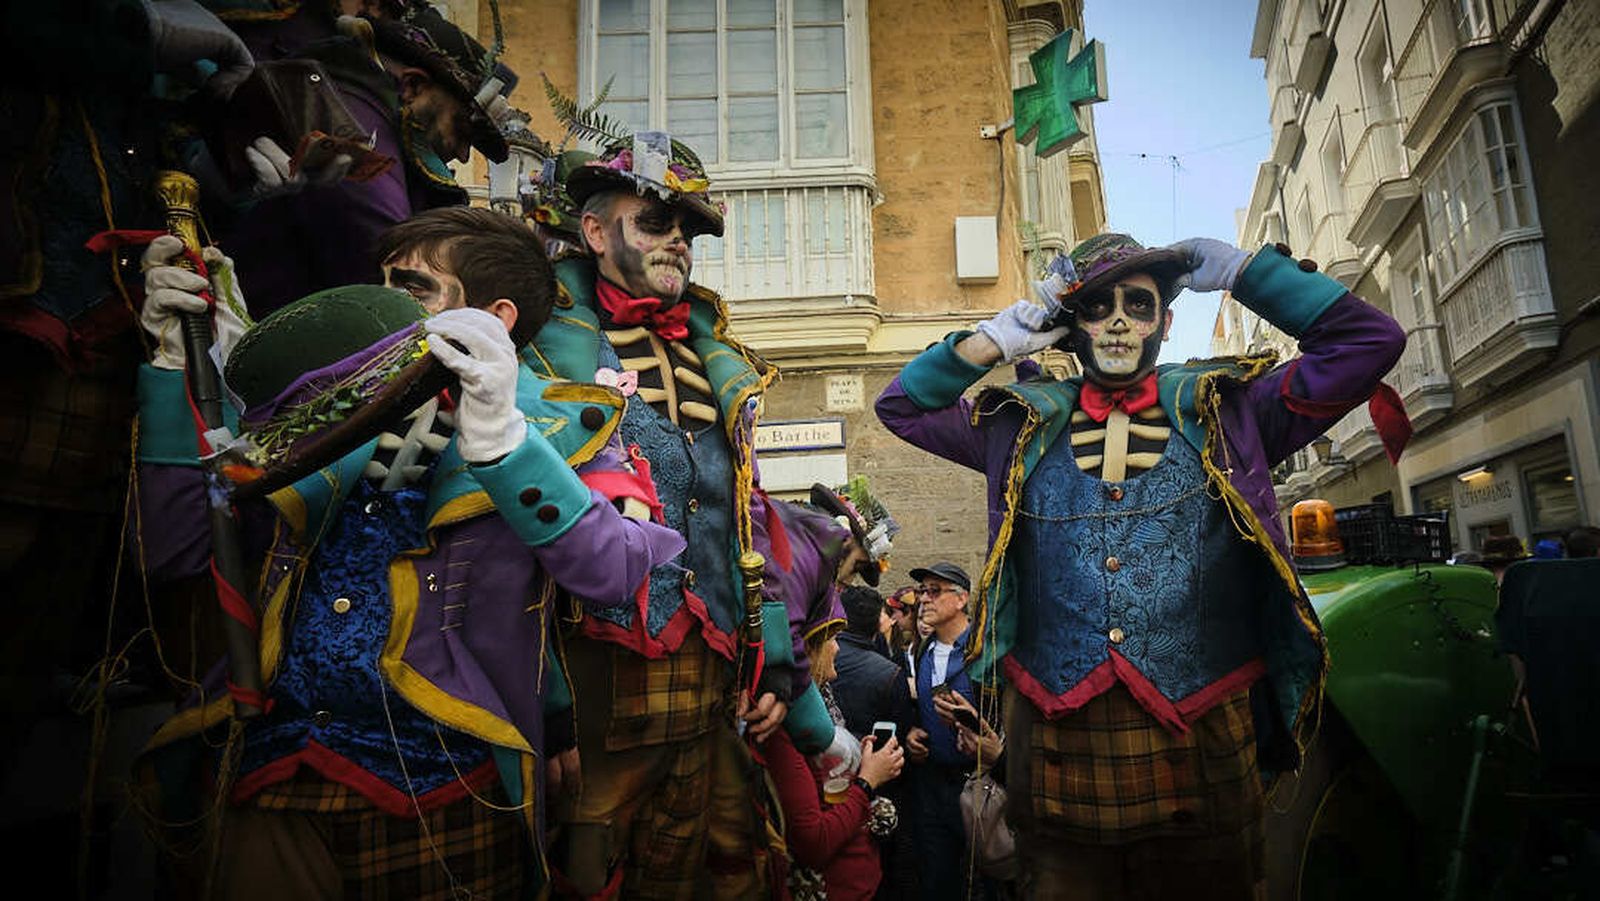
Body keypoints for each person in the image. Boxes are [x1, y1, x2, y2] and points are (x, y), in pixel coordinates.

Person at [133, 207, 683, 899]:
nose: (383, 304)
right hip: (272, 773)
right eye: (383, 283)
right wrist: (172, 369)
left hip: (449, 782)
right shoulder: (319, 400)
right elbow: (173, 550)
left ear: (496, 315)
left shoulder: (569, 422)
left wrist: (505, 444)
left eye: (412, 288)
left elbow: (614, 571)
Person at [877, 234, 1407, 899]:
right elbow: (900, 404)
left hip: (1205, 737)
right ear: (1071, 328)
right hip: (1055, 740)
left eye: (1138, 302)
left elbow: (1370, 343)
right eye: (1098, 306)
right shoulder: (1017, 428)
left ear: (1165, 321)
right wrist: (1005, 333)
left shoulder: (1230, 408)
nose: (1120, 319)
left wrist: (1244, 272)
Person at [531, 131, 837, 897]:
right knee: (591, 868)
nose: (677, 243)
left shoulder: (717, 355)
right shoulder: (537, 343)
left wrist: (770, 657)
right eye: (656, 222)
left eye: (687, 231)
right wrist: (551, 705)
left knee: (719, 866)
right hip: (598, 672)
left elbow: (747, 519)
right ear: (595, 233)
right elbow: (518, 533)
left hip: (712, 681)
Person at [221, 2, 519, 318]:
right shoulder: (357, 125)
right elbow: (387, 277)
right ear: (413, 86)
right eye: (461, 129)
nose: (462, 154)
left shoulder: (368, 119)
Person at [767, 633, 906, 901]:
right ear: (807, 650)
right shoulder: (784, 733)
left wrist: (859, 762)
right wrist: (867, 781)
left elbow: (828, 777)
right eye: (831, 638)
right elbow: (814, 843)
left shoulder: (818, 706)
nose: (838, 647)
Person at [904, 561, 983, 901]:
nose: (924, 599)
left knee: (982, 880)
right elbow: (920, 711)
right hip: (931, 785)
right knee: (937, 879)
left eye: (935, 591)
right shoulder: (923, 650)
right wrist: (913, 733)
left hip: (976, 783)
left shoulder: (982, 651)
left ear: (961, 599)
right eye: (923, 591)